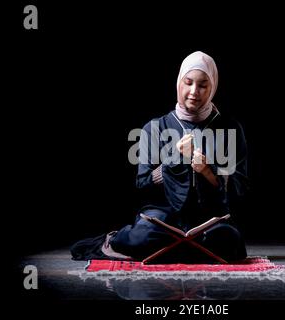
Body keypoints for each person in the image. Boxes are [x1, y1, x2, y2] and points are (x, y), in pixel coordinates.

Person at [71, 51, 249, 263]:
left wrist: (207, 171)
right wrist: (175, 160)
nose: (194, 91)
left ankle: (171, 250)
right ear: (178, 83)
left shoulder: (230, 128)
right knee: (143, 237)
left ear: (213, 88)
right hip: (163, 218)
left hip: (209, 218)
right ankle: (131, 241)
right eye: (188, 82)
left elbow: (240, 187)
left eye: (203, 85)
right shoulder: (154, 128)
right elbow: (143, 183)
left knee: (229, 241)